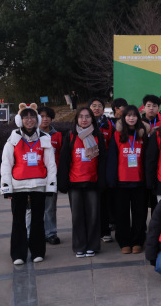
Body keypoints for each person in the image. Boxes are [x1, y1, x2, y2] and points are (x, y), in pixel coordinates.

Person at [0, 103, 57, 265]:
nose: (29, 120)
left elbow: (51, 164)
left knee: (38, 220)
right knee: (18, 221)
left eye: (32, 116)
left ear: (37, 119)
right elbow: (6, 164)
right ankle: (18, 254)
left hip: (39, 184)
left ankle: (38, 251)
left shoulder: (44, 138)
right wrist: (6, 187)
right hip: (18, 186)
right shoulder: (13, 139)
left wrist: (51, 186)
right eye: (26, 117)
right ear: (20, 120)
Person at [57, 107, 107, 257]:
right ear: (76, 119)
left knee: (93, 216)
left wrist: (102, 180)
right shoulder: (71, 135)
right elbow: (64, 159)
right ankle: (80, 246)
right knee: (77, 217)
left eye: (87, 116)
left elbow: (102, 160)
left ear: (92, 119)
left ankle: (92, 245)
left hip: (93, 181)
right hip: (75, 182)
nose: (84, 119)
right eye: (81, 117)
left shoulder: (98, 135)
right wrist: (63, 182)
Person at [106, 105, 151, 254]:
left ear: (138, 118)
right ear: (123, 117)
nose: (131, 118)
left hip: (139, 181)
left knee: (140, 213)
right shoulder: (117, 135)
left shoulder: (143, 135)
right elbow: (112, 158)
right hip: (121, 182)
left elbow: (147, 158)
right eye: (128, 115)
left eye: (134, 115)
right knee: (122, 214)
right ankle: (124, 241)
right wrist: (111, 180)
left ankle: (138, 241)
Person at [89, 97, 115, 242]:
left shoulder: (109, 124)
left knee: (104, 200)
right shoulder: (83, 124)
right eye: (94, 106)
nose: (97, 108)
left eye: (99, 106)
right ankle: (91, 232)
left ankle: (105, 231)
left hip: (104, 166)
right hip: (87, 167)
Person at [37, 106, 63, 245]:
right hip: (35, 176)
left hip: (52, 177)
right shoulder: (33, 135)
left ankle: (51, 233)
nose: (45, 119)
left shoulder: (57, 136)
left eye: (47, 116)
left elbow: (61, 155)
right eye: (42, 116)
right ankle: (35, 233)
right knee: (35, 207)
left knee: (50, 207)